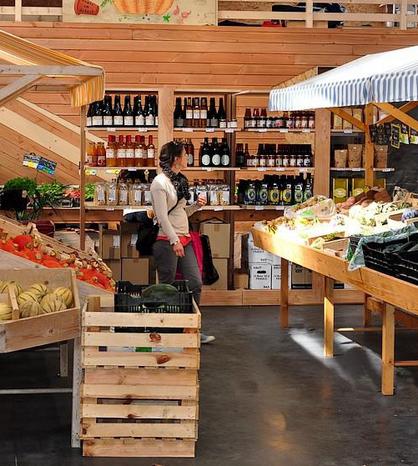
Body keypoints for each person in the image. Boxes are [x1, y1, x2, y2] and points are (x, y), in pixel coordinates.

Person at [151, 141, 215, 344]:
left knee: (195, 282)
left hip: (184, 239)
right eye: (185, 155)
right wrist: (174, 240)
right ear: (176, 158)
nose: (187, 158)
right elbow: (161, 217)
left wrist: (196, 206)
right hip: (167, 241)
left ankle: (192, 329)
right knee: (166, 286)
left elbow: (180, 213)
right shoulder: (159, 184)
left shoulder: (180, 181)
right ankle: (164, 330)